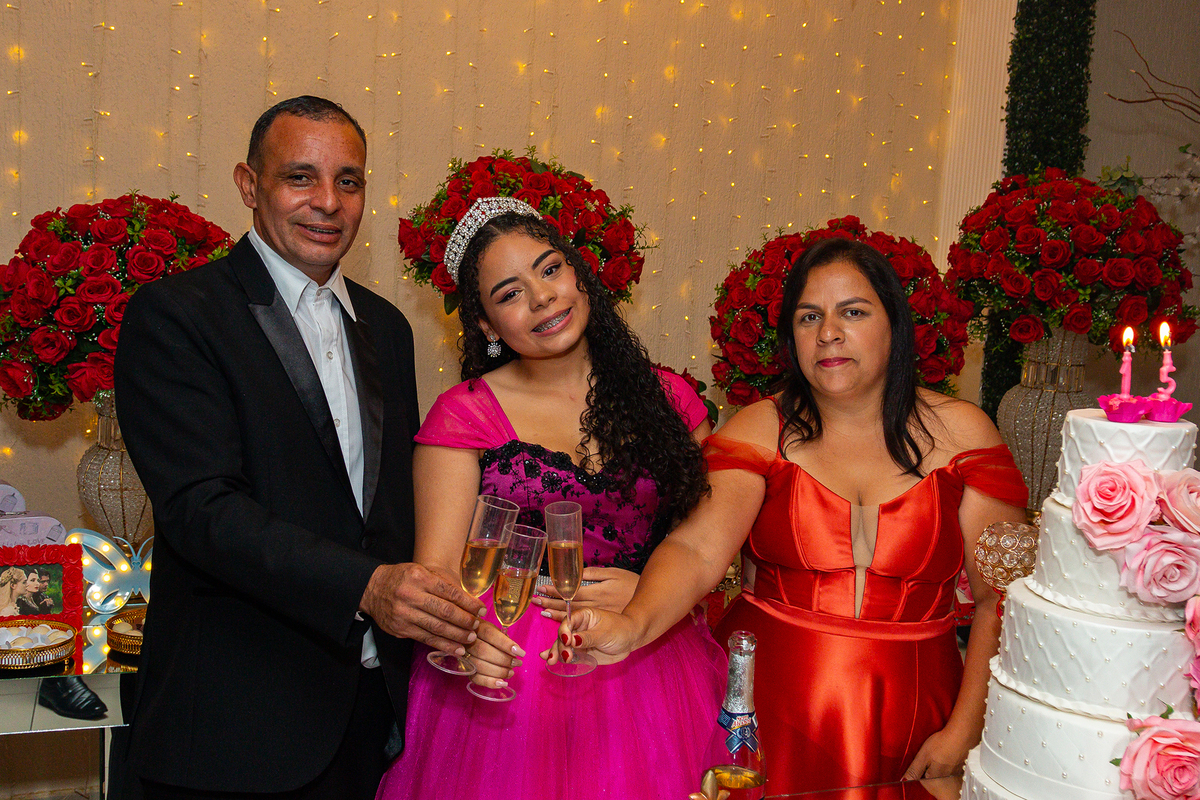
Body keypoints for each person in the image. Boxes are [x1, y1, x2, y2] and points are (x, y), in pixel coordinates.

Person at [114, 96, 487, 800]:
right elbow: (201, 510)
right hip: (237, 726)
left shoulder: (386, 326)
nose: (328, 202)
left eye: (349, 181)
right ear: (249, 185)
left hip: (372, 719)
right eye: (299, 177)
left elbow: (390, 507)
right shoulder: (178, 314)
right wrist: (364, 586)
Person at [560, 238, 1028, 793]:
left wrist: (965, 728)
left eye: (853, 312)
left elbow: (1004, 597)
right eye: (809, 317)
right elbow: (696, 548)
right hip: (766, 712)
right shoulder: (760, 429)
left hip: (919, 715)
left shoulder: (964, 433)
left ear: (895, 326)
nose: (828, 332)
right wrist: (633, 625)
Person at [375, 197, 728, 798]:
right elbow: (439, 573)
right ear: (486, 326)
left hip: (648, 654)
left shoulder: (669, 398)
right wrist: (467, 643)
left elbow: (706, 542)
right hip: (510, 670)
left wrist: (651, 592)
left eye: (549, 269)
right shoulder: (463, 414)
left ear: (579, 274)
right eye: (510, 293)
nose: (541, 297)